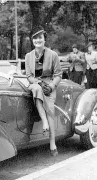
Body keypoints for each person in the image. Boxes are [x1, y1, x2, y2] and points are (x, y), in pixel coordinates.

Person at [25, 26, 62, 157]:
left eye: (40, 37)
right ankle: (44, 121)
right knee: (36, 89)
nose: (37, 40)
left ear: (44, 39)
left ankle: (52, 143)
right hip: (35, 84)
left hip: (49, 85)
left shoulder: (53, 55)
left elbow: (58, 74)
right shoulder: (28, 56)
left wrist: (51, 86)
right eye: (35, 38)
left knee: (50, 110)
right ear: (32, 41)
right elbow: (28, 76)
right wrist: (36, 82)